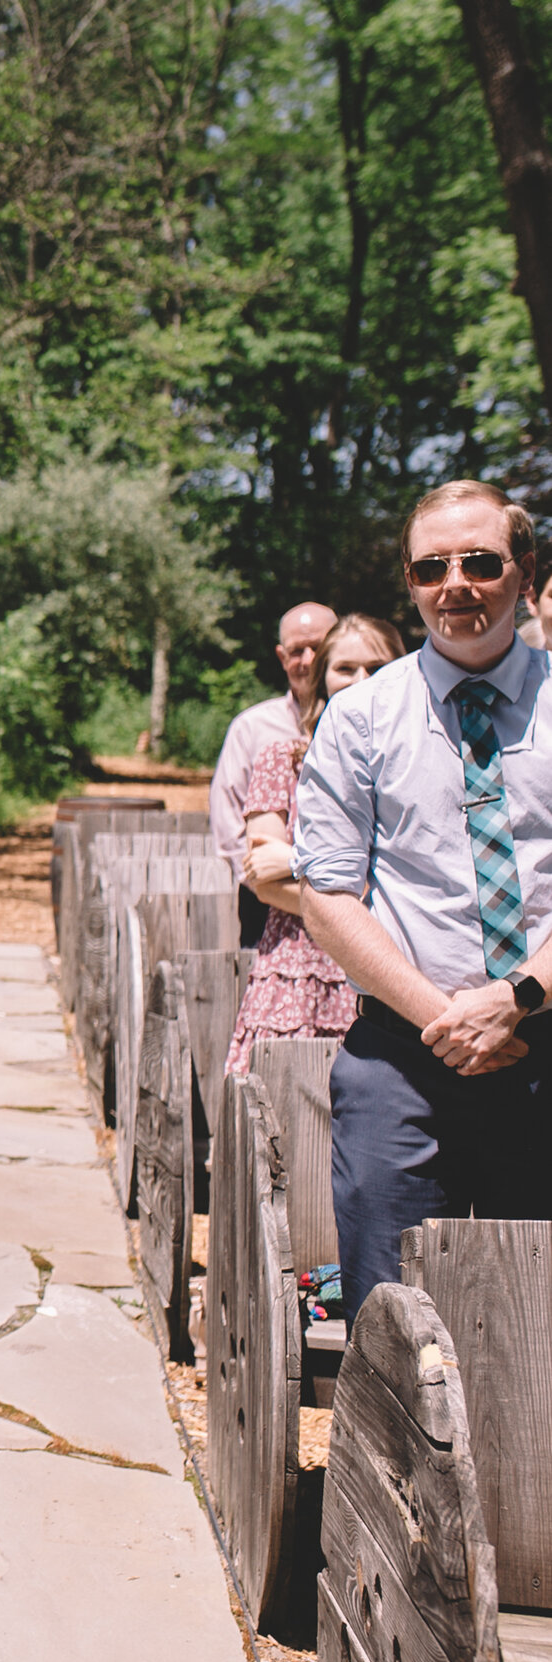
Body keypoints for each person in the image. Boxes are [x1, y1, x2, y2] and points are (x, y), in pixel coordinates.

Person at [296, 479, 552, 1321]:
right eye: (431, 567)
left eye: (480, 561)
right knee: (391, 1318)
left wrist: (517, 1000)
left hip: (543, 1038)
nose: (456, 585)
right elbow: (327, 892)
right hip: (404, 1060)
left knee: (537, 1320)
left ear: (524, 571)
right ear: (408, 582)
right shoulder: (362, 716)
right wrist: (447, 1017)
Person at [226, 614, 407, 1075]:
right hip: (298, 968)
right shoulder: (281, 760)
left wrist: (293, 860)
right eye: (346, 669)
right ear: (323, 677)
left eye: (378, 668)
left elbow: (276, 866)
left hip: (389, 968)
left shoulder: (417, 766)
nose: (361, 681)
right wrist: (371, 892)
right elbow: (263, 881)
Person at [213, 601, 338, 946]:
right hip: (269, 915)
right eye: (298, 650)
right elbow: (232, 835)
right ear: (282, 658)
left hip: (363, 917)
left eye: (319, 647)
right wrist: (281, 893)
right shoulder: (252, 729)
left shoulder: (378, 725)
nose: (309, 660)